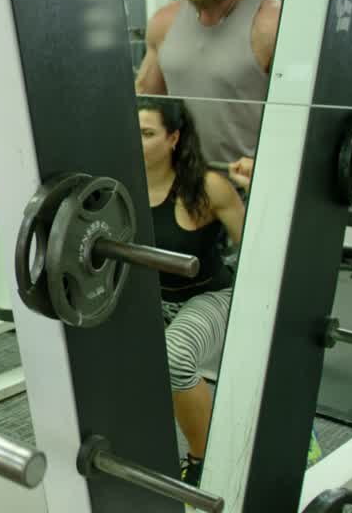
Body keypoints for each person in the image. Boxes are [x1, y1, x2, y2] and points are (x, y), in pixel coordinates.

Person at [136, 97, 245, 486]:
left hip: (209, 296)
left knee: (176, 357)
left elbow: (258, 254)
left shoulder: (207, 189)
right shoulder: (119, 185)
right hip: (151, 298)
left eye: (147, 133)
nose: (136, 140)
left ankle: (203, 464)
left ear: (174, 138)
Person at [135, 0, 281, 193]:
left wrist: (269, 169)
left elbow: (298, 118)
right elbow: (146, 105)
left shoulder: (270, 22)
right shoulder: (164, 22)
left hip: (247, 185)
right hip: (180, 183)